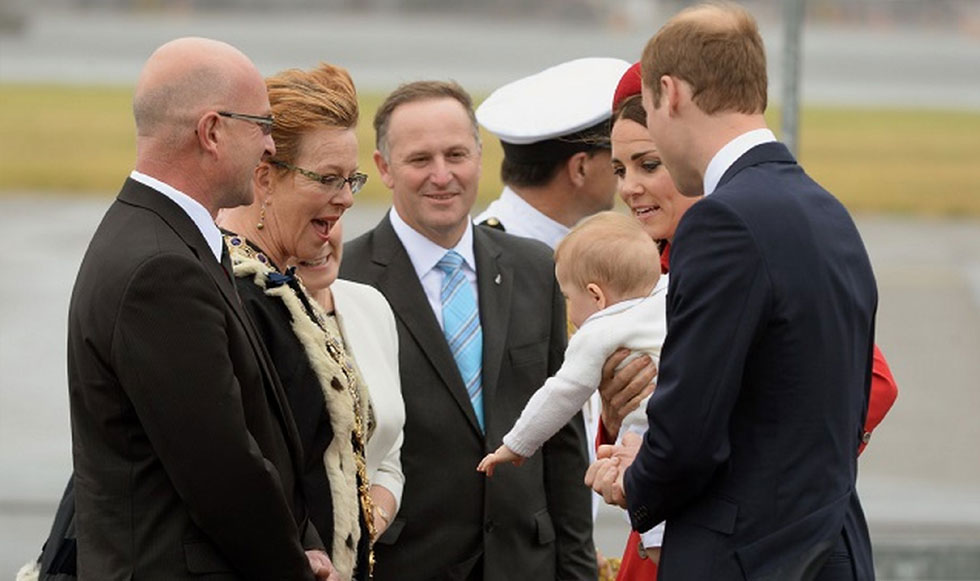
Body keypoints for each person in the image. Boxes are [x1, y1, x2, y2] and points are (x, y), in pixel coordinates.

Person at [587, 3, 880, 579]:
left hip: (750, 558)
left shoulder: (723, 222)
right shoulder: (826, 209)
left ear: (669, 93)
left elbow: (691, 431)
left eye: (647, 109)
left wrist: (636, 480)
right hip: (829, 548)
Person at [61, 37, 332, 580]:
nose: (271, 147)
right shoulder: (159, 270)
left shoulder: (161, 237)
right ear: (211, 132)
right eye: (262, 126)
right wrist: (295, 570)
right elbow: (220, 470)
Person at [340, 80, 597, 580]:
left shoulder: (534, 267)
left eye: (456, 154)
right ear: (384, 169)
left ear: (480, 158)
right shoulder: (346, 281)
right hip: (405, 565)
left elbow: (563, 440)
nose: (442, 176)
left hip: (527, 565)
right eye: (420, 160)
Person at [218, 62, 403, 581]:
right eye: (327, 179)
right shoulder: (227, 292)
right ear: (264, 176)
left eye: (351, 180)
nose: (346, 198)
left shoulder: (281, 289)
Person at [477, 211, 664, 476]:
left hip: (646, 431)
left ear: (595, 296)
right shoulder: (669, 296)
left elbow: (561, 394)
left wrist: (517, 444)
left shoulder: (597, 332)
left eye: (567, 297)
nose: (567, 308)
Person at [473, 57, 629, 247]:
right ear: (580, 168)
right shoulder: (490, 259)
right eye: (617, 162)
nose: (625, 175)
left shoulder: (495, 247)